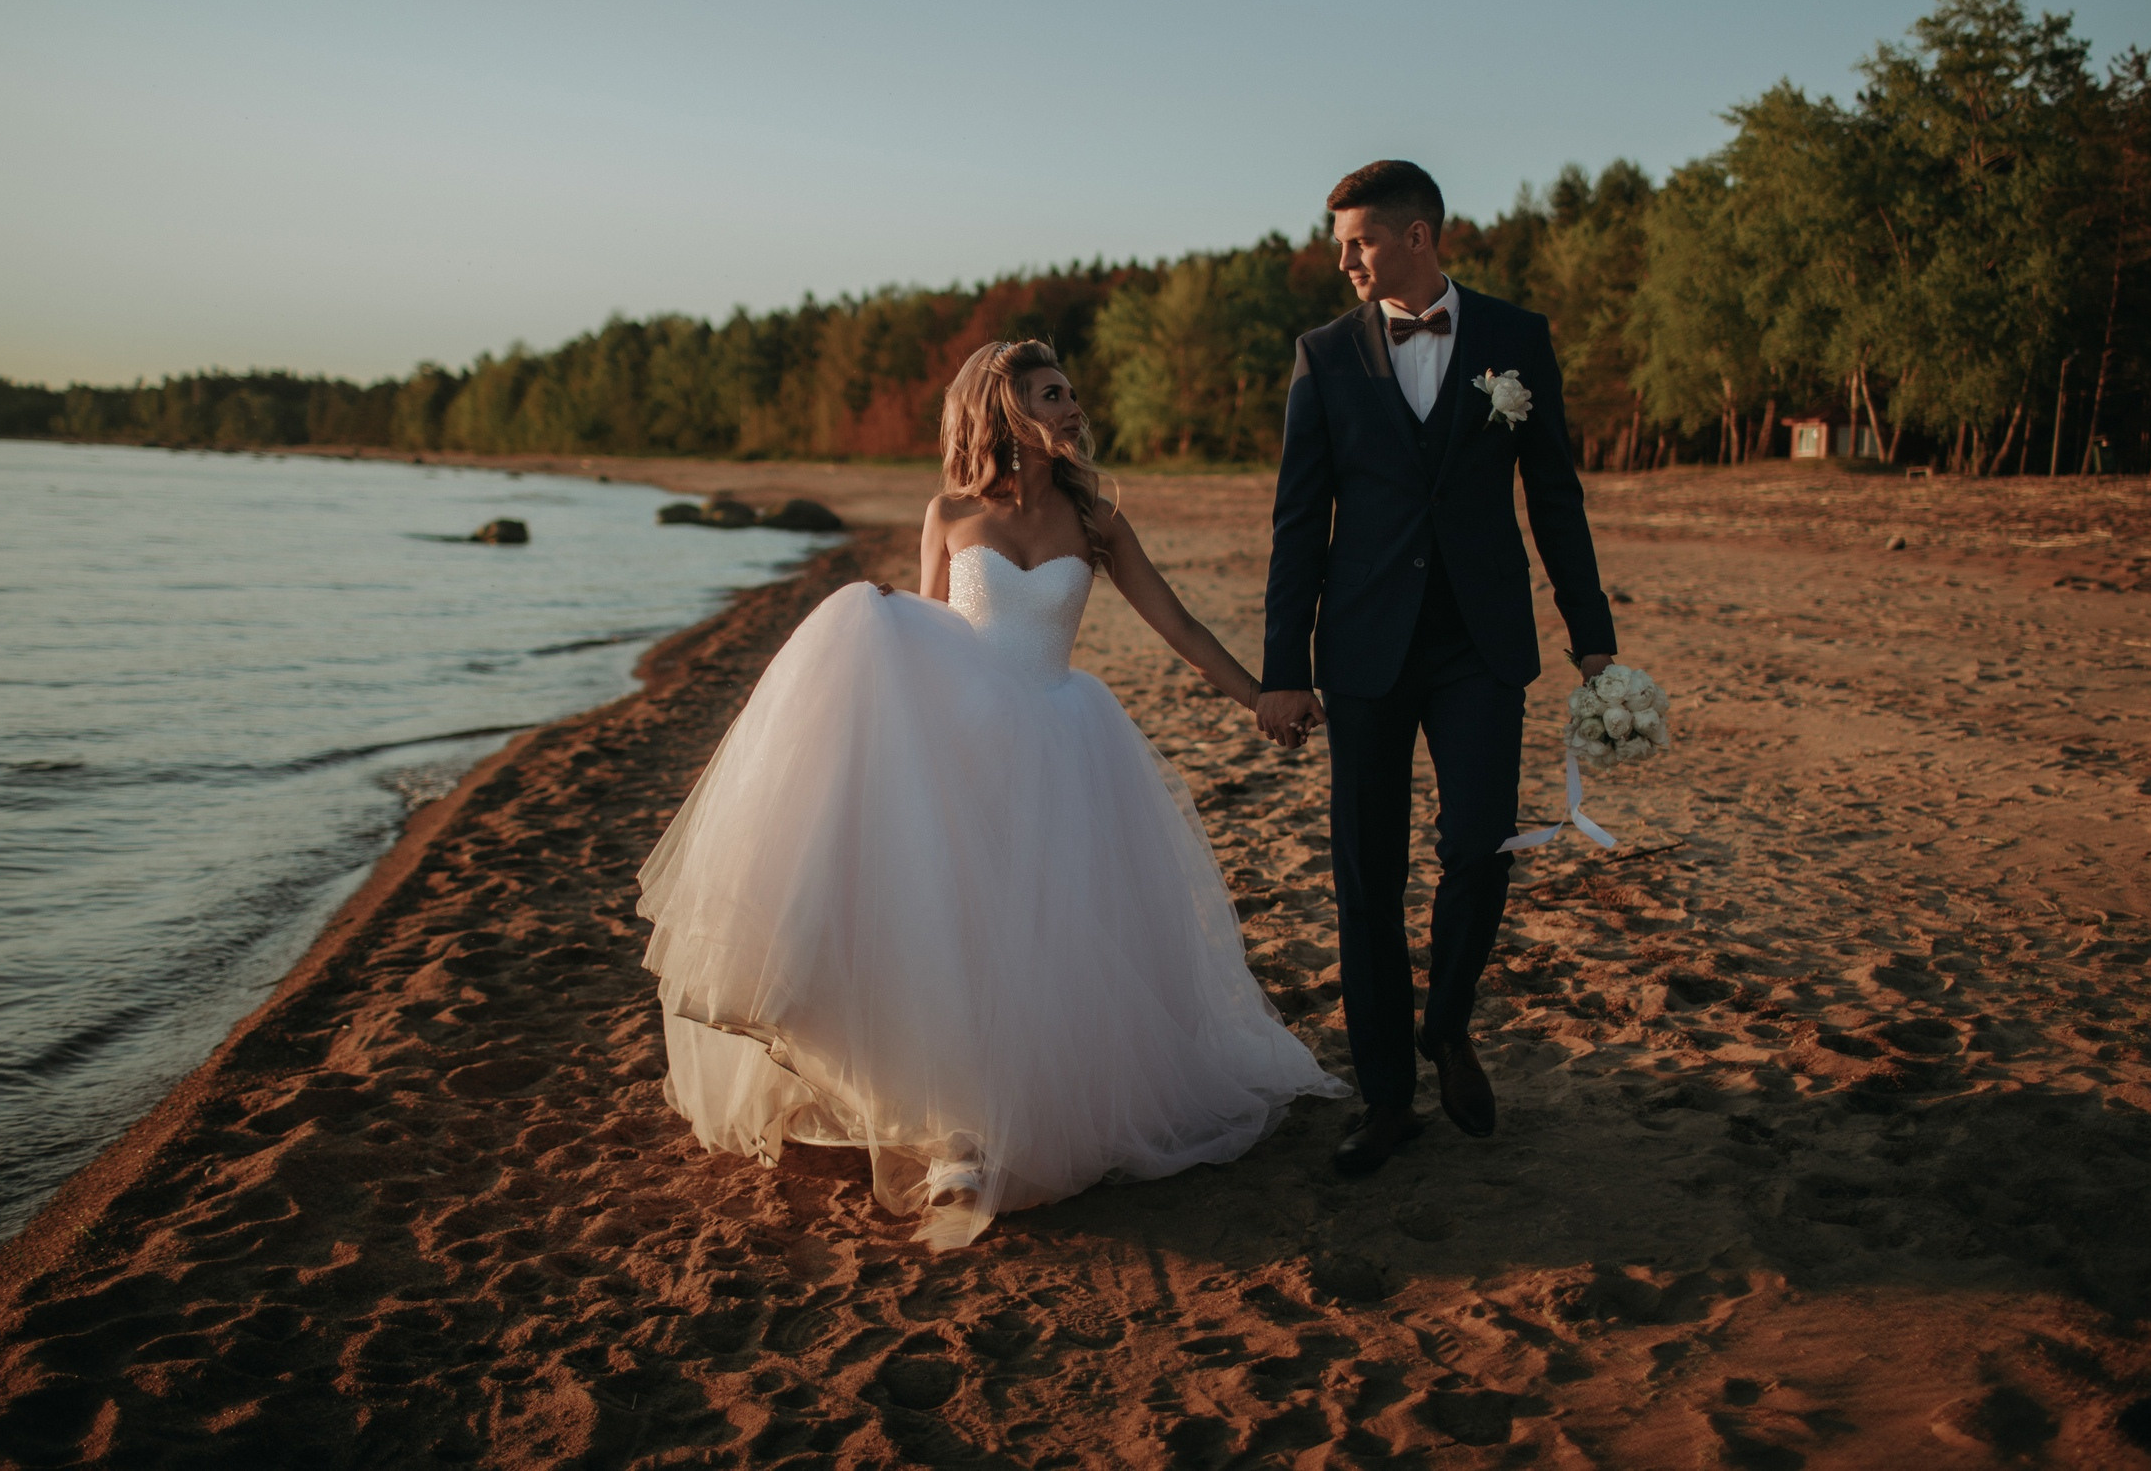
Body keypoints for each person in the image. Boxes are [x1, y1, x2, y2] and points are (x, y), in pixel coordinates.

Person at [637, 339, 1344, 1248]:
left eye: (1071, 393)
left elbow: (1177, 621)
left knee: (1042, 937)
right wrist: (873, 622)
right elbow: (923, 641)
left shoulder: (1096, 521)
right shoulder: (948, 512)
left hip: (1063, 745)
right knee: (953, 933)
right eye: (1052, 395)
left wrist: (1257, 697)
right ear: (1003, 411)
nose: (1072, 408)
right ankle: (955, 1133)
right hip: (959, 746)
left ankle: (1023, 1113)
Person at [1255, 160, 1624, 1177]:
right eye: (1339, 243)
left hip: (1479, 639)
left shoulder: (1515, 339)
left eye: (1359, 241)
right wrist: (1283, 666)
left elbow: (1554, 492)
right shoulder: (1323, 354)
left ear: (1419, 235)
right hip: (1365, 645)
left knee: (1480, 843)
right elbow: (1298, 523)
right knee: (1364, 876)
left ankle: (1447, 1022)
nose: (1344, 261)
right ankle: (1384, 1098)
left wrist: (1590, 632)